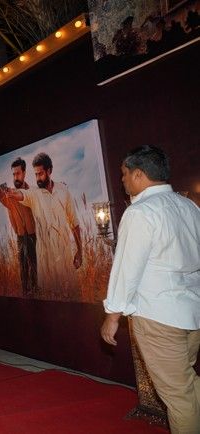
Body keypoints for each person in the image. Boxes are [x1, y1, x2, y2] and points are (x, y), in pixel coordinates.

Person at [101, 145, 200, 434]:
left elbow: (126, 270)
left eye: (124, 173)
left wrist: (112, 315)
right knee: (186, 382)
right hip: (192, 313)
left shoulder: (140, 212)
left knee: (178, 397)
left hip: (159, 317)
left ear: (139, 174)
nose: (122, 180)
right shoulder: (189, 206)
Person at [1, 152, 83, 296]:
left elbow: (74, 223)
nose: (38, 178)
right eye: (36, 174)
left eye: (41, 174)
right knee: (49, 298)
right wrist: (12, 193)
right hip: (45, 263)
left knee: (71, 297)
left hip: (65, 258)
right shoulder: (34, 193)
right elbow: (22, 194)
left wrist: (80, 251)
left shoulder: (63, 190)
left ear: (49, 171)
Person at [0, 157, 37, 295]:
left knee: (35, 267)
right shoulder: (10, 194)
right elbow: (1, 193)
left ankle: (36, 293)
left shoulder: (32, 192)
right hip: (21, 237)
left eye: (18, 173)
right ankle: (25, 294)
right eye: (13, 174)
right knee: (23, 268)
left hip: (34, 236)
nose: (15, 177)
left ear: (24, 173)